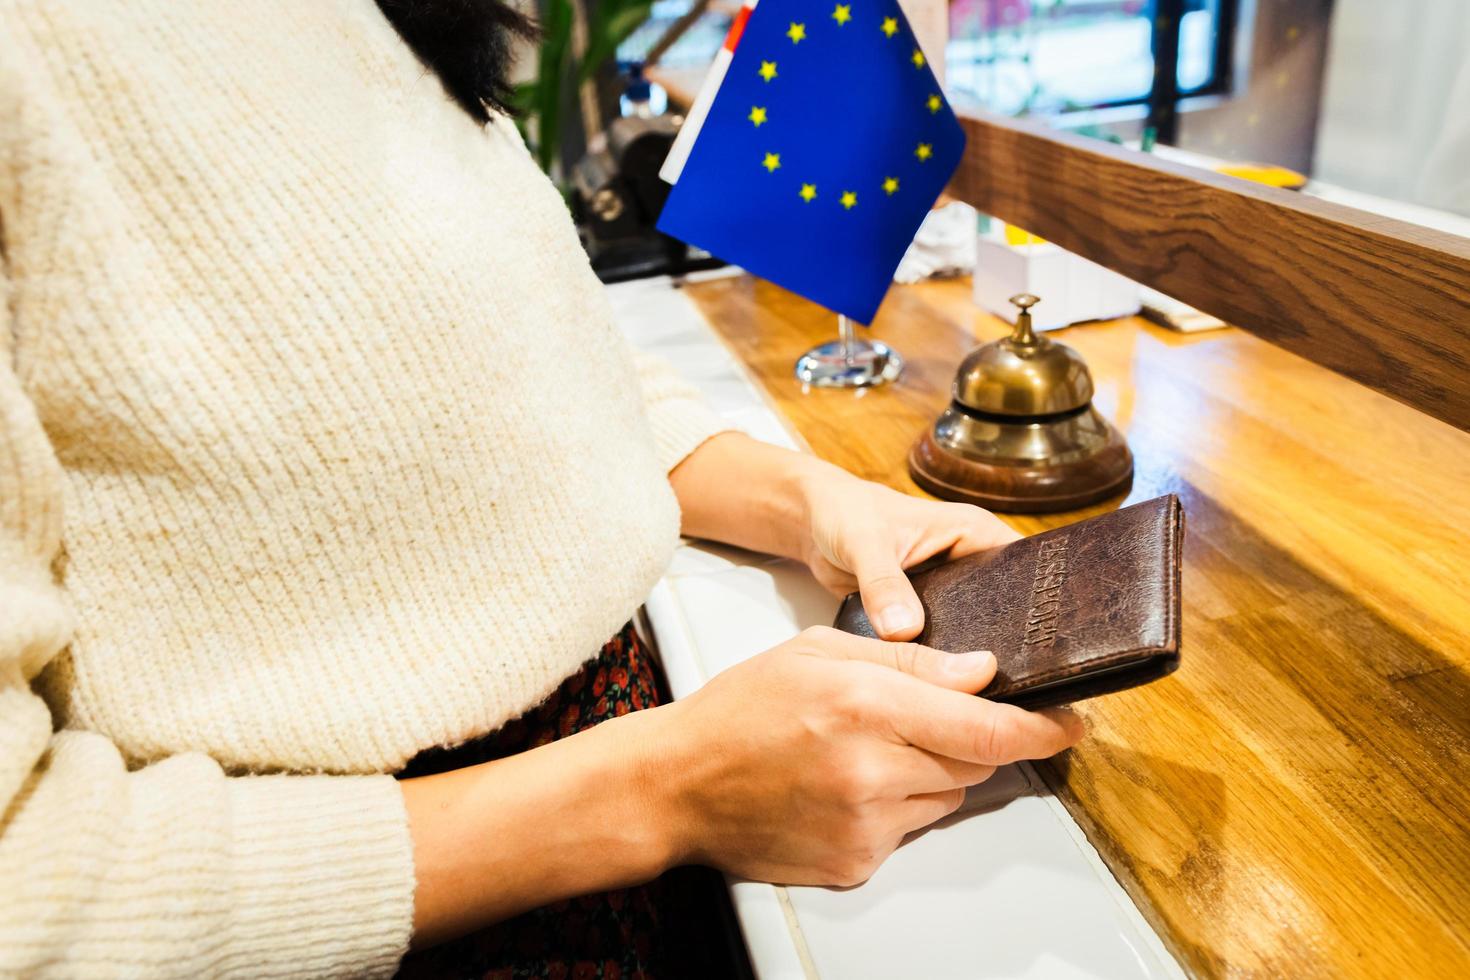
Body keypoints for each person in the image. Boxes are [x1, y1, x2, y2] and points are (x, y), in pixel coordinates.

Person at [0, 2, 1083, 977]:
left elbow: (529, 354)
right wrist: (665, 789)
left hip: (646, 810)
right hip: (445, 919)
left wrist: (816, 503)